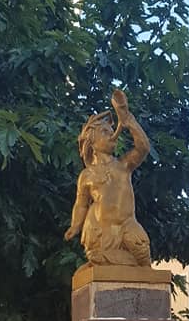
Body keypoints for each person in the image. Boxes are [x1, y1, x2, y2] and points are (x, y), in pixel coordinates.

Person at [64, 89, 151, 266]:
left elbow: (143, 148)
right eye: (105, 131)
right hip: (100, 230)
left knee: (143, 260)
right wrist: (75, 225)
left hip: (128, 226)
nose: (112, 134)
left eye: (111, 130)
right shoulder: (87, 175)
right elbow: (81, 204)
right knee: (101, 262)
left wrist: (128, 121)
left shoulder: (124, 165)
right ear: (92, 143)